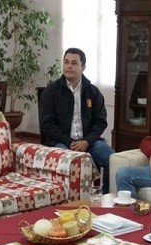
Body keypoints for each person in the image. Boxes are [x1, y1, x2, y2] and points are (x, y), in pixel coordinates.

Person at [40, 47, 115, 193]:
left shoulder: (93, 92)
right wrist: (69, 142)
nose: (69, 66)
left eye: (74, 63)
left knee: (112, 159)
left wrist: (86, 141)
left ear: (83, 67)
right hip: (61, 141)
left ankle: (106, 199)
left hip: (88, 141)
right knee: (69, 162)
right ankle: (69, 201)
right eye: (66, 62)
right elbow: (47, 125)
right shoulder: (51, 91)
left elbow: (100, 122)